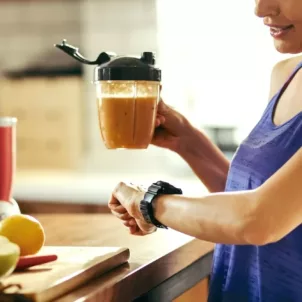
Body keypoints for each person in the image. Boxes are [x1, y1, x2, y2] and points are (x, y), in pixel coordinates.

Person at [108, 0, 302, 301]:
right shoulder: (287, 74)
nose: (261, 9)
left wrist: (149, 204)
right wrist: (187, 140)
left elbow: (259, 220)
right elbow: (269, 200)